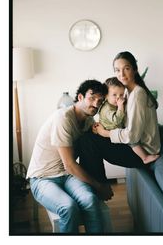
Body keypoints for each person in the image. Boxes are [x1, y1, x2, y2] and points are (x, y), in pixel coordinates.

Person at [26, 80, 113, 234]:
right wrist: (99, 186)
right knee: (68, 207)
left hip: (67, 176)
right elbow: (70, 164)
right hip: (42, 178)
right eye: (91, 98)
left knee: (90, 201)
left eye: (99, 101)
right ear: (80, 97)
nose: (95, 104)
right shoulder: (63, 118)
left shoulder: (88, 121)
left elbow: (92, 152)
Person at [76, 51, 161, 184]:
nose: (121, 74)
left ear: (135, 69)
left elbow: (132, 136)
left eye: (126, 68)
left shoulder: (138, 94)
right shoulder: (127, 92)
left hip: (141, 151)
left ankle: (97, 186)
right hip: (134, 146)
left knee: (88, 141)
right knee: (88, 137)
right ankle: (92, 185)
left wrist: (105, 133)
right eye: (117, 70)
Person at [99, 77, 159, 164]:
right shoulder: (107, 108)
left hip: (115, 130)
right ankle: (145, 157)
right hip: (110, 133)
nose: (118, 98)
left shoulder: (112, 104)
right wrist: (120, 106)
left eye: (121, 94)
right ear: (106, 95)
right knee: (132, 141)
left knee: (132, 135)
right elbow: (116, 120)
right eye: (114, 95)